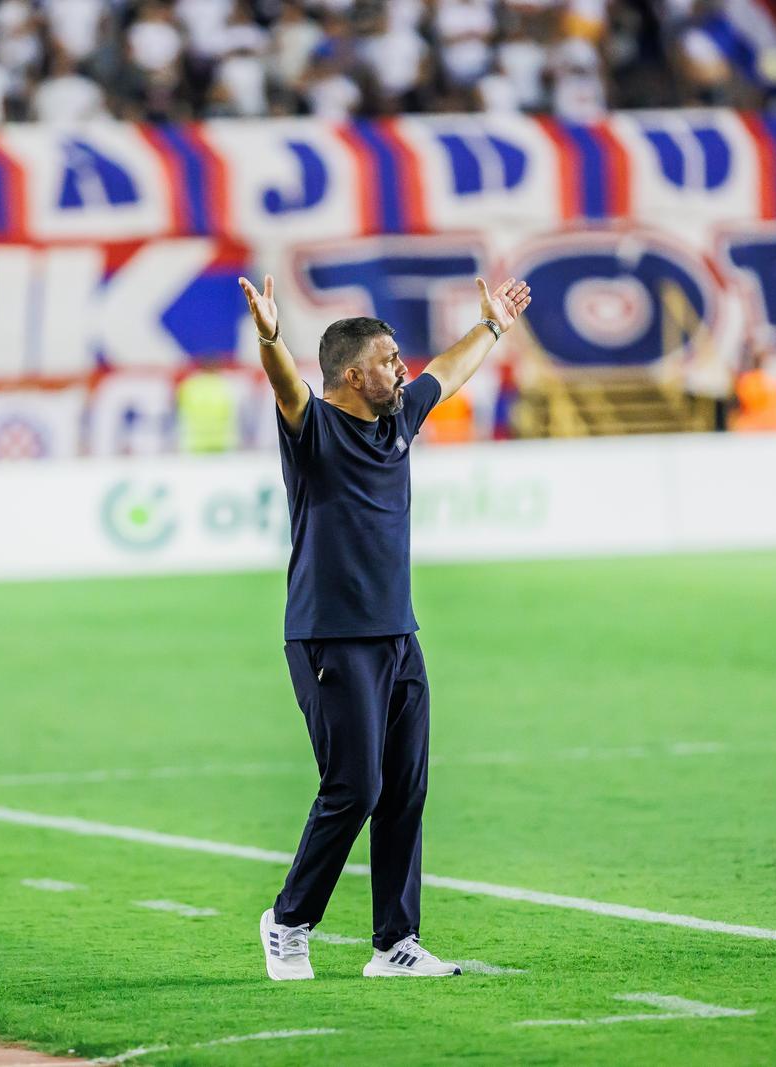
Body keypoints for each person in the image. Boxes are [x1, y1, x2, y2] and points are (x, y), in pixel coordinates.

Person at [238, 269, 530, 981]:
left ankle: (394, 941)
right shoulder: (314, 426)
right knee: (354, 787)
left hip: (398, 633)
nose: (402, 368)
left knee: (404, 787)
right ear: (348, 373)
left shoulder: (400, 417)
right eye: (387, 360)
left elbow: (448, 372)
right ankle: (289, 920)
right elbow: (285, 382)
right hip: (328, 635)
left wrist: (491, 326)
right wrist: (272, 335)